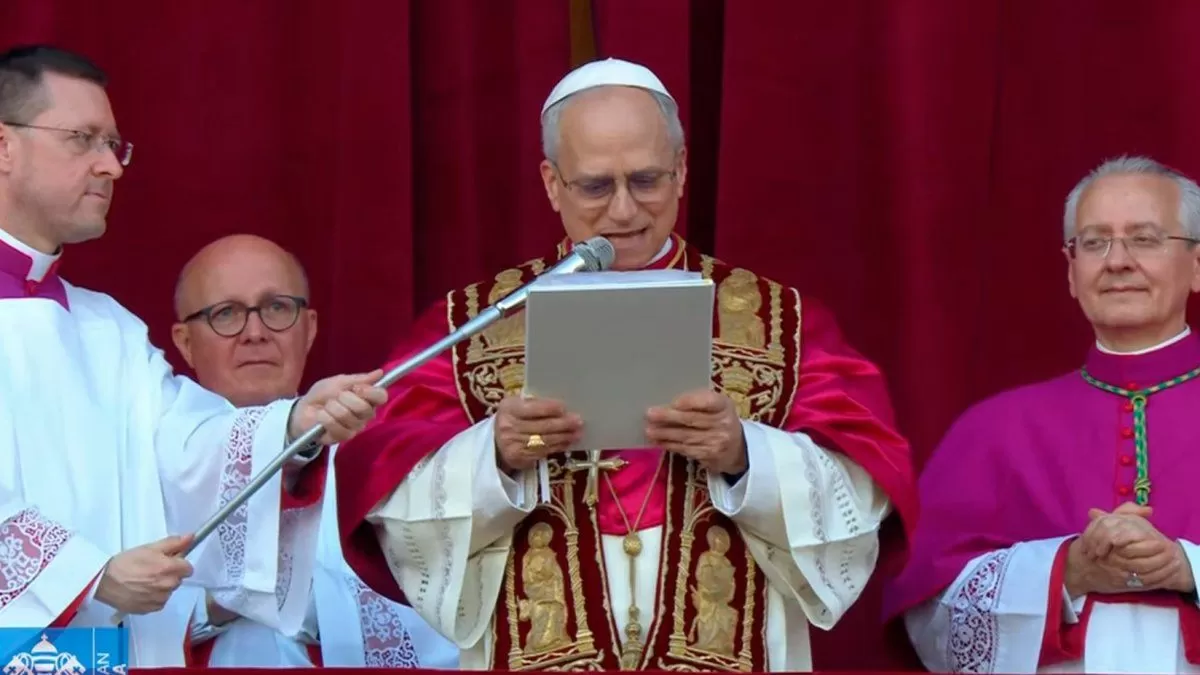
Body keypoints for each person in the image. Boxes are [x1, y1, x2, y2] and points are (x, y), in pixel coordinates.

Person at [335, 57, 919, 671]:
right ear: (552, 183)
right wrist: (496, 456)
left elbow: (864, 492)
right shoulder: (473, 326)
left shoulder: (782, 323)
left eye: (646, 180)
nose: (623, 211)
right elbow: (390, 492)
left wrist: (745, 455)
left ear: (682, 171)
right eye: (595, 186)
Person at [0, 45, 387, 666]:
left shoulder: (108, 328)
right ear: (4, 147)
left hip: (100, 654)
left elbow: (186, 448)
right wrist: (88, 576)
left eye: (114, 145)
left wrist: (293, 426)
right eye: (83, 139)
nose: (110, 166)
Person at [883, 155, 1200, 673]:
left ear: (1197, 265)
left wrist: (1188, 568)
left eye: (1144, 239)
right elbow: (930, 618)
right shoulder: (994, 430)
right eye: (1094, 243)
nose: (1117, 261)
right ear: (1072, 272)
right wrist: (1065, 571)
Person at [172, 234, 457, 669]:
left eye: (276, 308)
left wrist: (297, 595)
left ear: (309, 329)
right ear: (185, 342)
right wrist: (218, 604)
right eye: (225, 313)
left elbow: (439, 609)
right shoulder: (146, 459)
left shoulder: (375, 459)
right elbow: (99, 617)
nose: (255, 333)